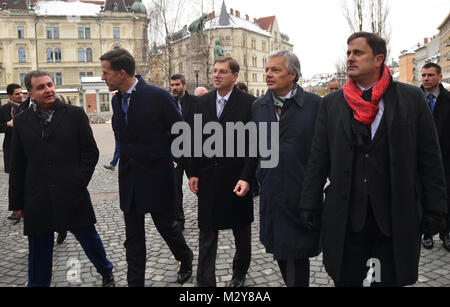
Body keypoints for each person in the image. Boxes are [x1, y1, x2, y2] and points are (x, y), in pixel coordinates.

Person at [299, 32, 447, 287]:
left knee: (388, 280)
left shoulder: (411, 99)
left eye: (357, 53)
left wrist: (436, 208)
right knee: (348, 279)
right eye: (348, 53)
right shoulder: (332, 104)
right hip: (347, 216)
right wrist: (309, 202)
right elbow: (319, 157)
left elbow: (429, 156)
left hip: (394, 215)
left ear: (379, 59)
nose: (349, 59)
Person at [9, 70, 115, 287]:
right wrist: (16, 202)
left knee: (90, 239)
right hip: (37, 198)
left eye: (50, 85)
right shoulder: (21, 122)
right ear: (31, 93)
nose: (48, 89)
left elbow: (90, 153)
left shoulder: (74, 114)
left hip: (72, 193)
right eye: (41, 87)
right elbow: (17, 164)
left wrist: (78, 181)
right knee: (38, 253)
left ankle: (106, 271)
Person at [100, 48, 193, 287]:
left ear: (121, 73)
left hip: (157, 178)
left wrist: (173, 159)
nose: (103, 78)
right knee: (133, 239)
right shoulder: (116, 99)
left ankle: (186, 257)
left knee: (167, 229)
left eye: (105, 73)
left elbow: (181, 133)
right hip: (130, 180)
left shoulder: (158, 96)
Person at [252, 50, 322, 287]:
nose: (268, 74)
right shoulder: (259, 106)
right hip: (272, 193)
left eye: (275, 70)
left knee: (298, 253)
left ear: (292, 75)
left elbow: (324, 151)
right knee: (281, 250)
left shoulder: (315, 105)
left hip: (301, 193)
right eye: (267, 70)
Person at [188, 56, 256, 287]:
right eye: (215, 71)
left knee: (241, 232)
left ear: (235, 76)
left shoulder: (249, 103)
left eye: (223, 72)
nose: (216, 75)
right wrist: (193, 172)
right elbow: (194, 140)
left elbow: (254, 146)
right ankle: (205, 284)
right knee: (207, 233)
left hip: (237, 179)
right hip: (208, 180)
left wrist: (247, 177)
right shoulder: (202, 103)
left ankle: (239, 274)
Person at [420, 63, 450, 252]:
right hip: (421, 160)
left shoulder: (448, 100)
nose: (426, 78)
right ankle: (427, 233)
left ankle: (446, 233)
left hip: (446, 159)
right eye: (423, 75)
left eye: (430, 75)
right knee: (423, 195)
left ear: (439, 77)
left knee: (447, 197)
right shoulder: (414, 99)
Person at [170, 74, 197, 231]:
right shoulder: (167, 103)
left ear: (184, 85)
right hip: (175, 154)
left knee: (201, 186)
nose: (174, 88)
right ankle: (179, 221)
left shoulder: (195, 102)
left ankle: (209, 215)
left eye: (177, 85)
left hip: (194, 152)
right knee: (175, 188)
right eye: (172, 85)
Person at [0, 84, 23, 222]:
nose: (20, 96)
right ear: (10, 96)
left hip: (27, 149)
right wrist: (7, 125)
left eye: (21, 93)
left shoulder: (29, 107)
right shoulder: (3, 110)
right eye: (17, 94)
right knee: (14, 181)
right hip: (11, 149)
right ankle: (15, 210)